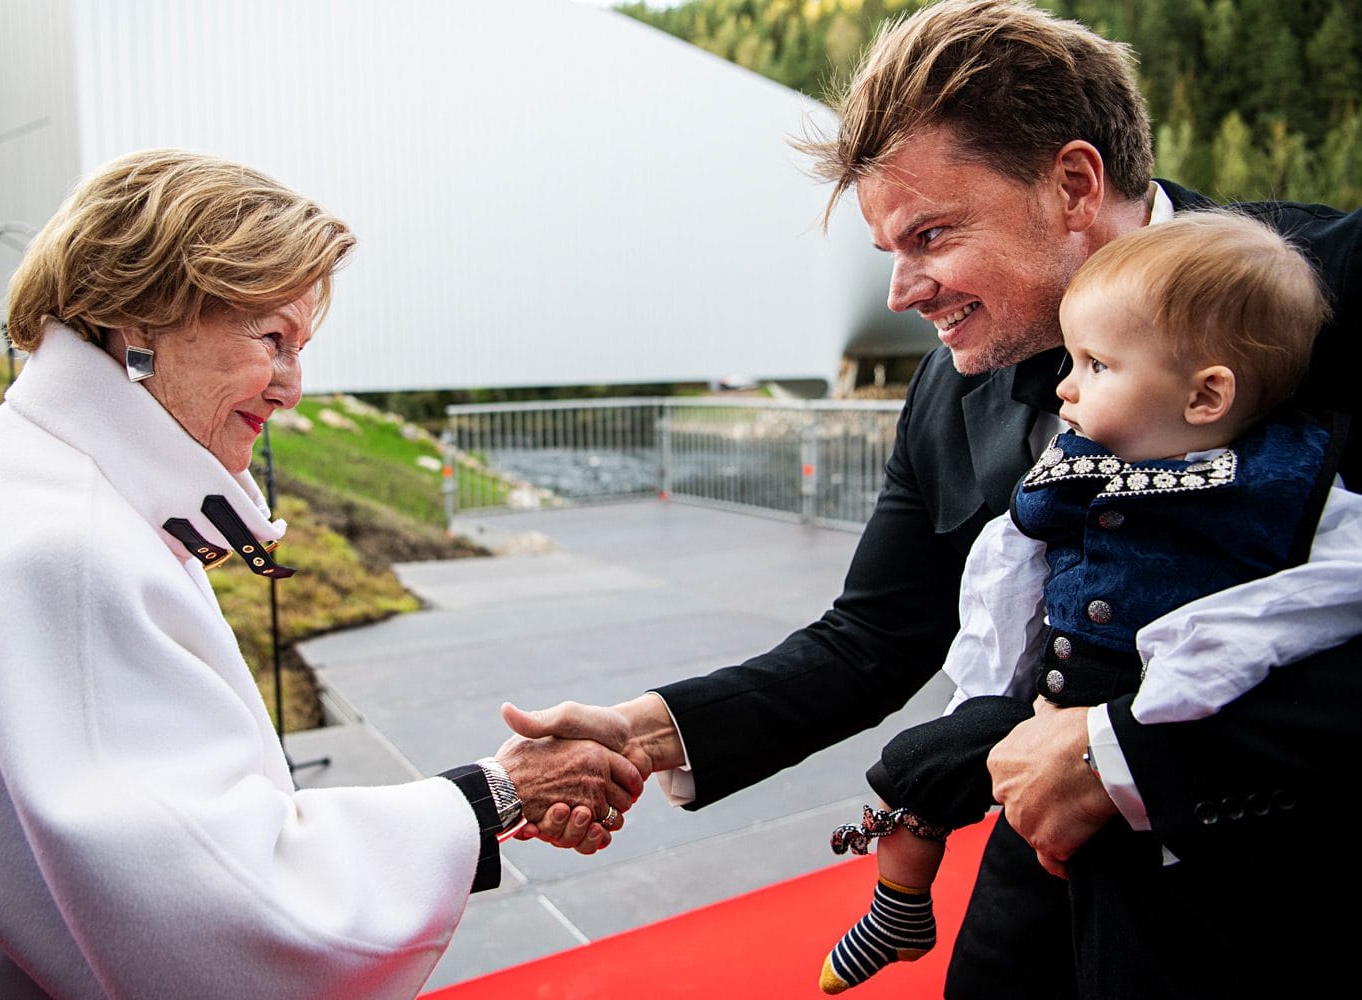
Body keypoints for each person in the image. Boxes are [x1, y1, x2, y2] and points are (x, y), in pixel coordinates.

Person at [502, 1, 1362, 995]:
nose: (903, 292)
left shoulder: (1337, 288)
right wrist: (643, 735)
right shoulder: (948, 391)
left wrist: (1127, 755)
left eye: (932, 235)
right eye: (891, 253)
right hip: (1037, 885)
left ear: (1073, 185)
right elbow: (874, 636)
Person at [0, 149, 641, 999]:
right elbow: (222, 917)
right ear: (141, 315)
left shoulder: (37, 477)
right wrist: (498, 792)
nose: (291, 390)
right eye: (272, 339)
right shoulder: (69, 555)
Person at [819, 211, 1362, 993]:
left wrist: (1139, 725)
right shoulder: (1072, 464)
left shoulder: (1289, 489)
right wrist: (984, 695)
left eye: (1096, 365)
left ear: (1207, 394)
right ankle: (899, 905)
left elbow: (1321, 600)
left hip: (1167, 773)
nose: (1064, 385)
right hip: (1039, 718)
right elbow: (1003, 578)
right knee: (918, 772)